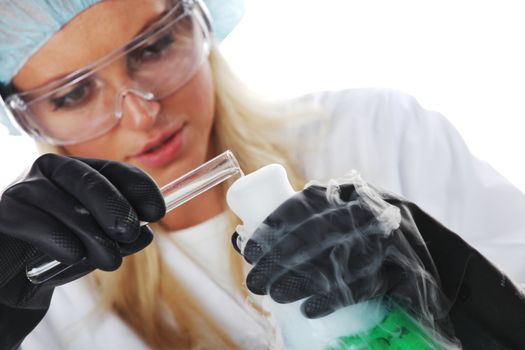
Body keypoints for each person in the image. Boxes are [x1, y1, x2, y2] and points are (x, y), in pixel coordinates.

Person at [0, 0, 524, 349]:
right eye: (72, 94)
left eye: (153, 46)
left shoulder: (379, 133)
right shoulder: (49, 295)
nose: (142, 113)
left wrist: (447, 274)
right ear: (26, 118)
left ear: (200, 23)